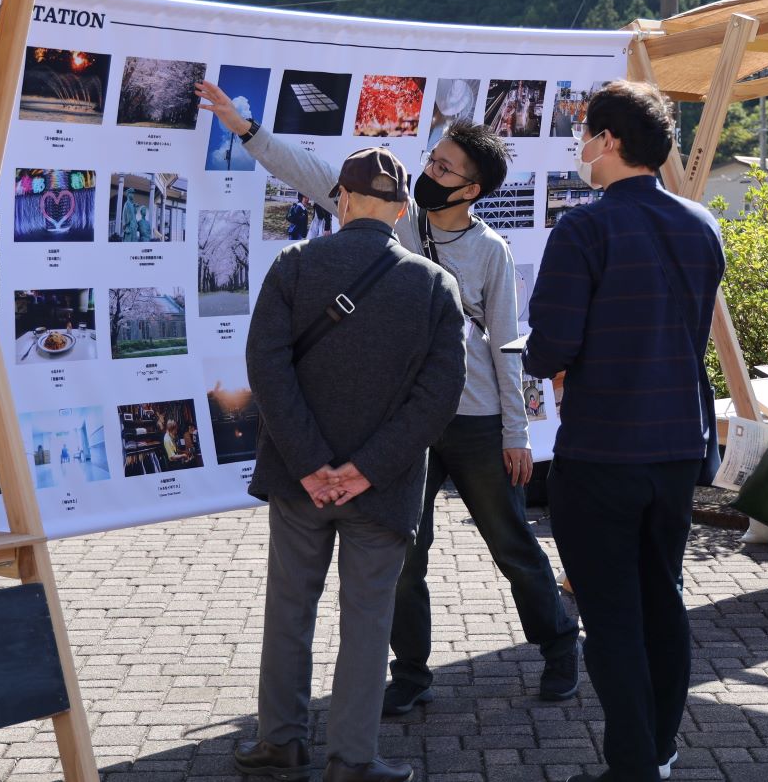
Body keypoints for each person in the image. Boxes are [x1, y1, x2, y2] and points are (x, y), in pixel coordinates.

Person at [197, 81, 581, 715]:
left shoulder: (491, 250)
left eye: (444, 168)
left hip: (478, 423)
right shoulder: (393, 218)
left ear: (471, 190)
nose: (428, 171)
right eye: (431, 160)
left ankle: (559, 645)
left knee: (510, 541)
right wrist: (246, 129)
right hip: (406, 425)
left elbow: (507, 348)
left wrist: (518, 433)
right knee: (406, 551)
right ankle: (412, 673)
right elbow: (319, 174)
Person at [234, 147, 467, 782]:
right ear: (401, 211)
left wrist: (312, 465)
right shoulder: (432, 285)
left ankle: (280, 742)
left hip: (296, 480)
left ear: (341, 199)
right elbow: (438, 397)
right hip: (385, 486)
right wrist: (366, 468)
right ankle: (353, 760)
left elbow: (268, 369)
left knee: (289, 609)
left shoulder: (294, 264)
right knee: (368, 619)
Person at [522, 80, 724, 782]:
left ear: (608, 141)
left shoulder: (584, 227)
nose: (581, 146)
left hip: (601, 446)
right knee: (661, 597)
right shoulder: (702, 223)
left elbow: (549, 348)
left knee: (609, 615)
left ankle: (633, 764)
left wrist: (534, 352)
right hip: (677, 447)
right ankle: (660, 751)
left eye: (585, 134)